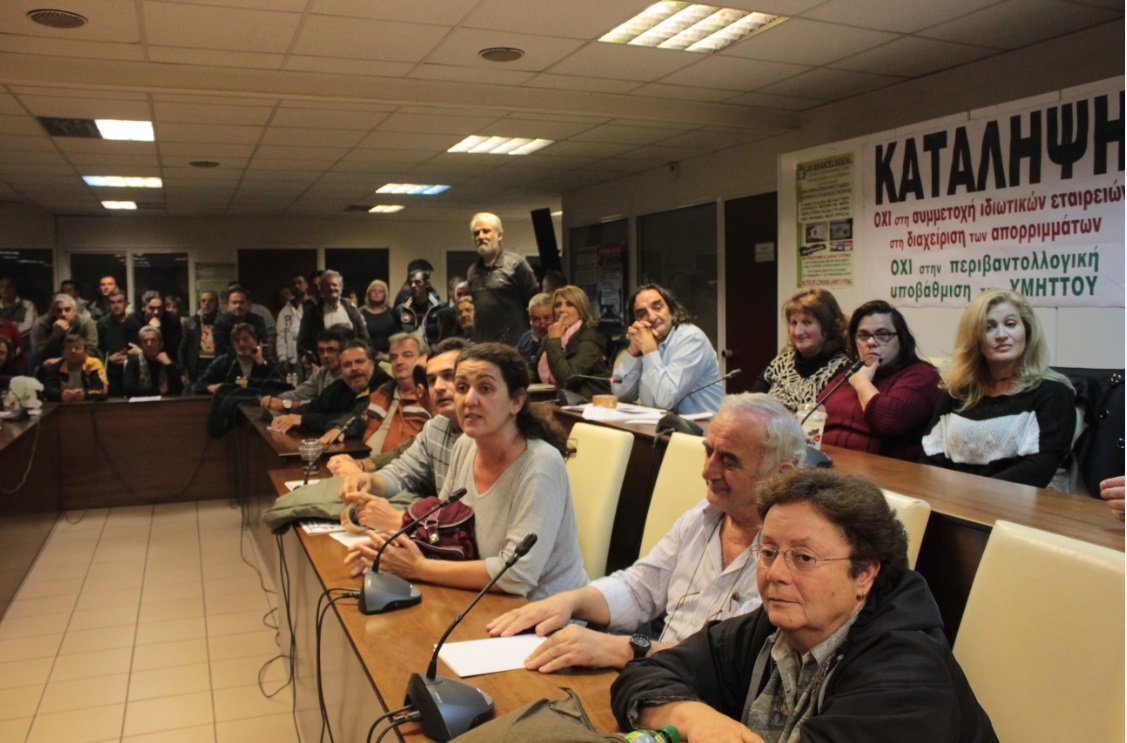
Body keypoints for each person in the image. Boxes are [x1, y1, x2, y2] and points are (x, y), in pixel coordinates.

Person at [611, 468, 997, 743]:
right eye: (768, 552)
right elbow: (645, 675)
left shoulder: (905, 676)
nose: (775, 574)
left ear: (865, 574)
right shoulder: (775, 627)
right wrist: (694, 718)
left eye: (804, 558)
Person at [487, 393, 805, 673]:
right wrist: (570, 601)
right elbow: (639, 589)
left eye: (728, 461)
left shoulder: (791, 560)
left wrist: (626, 650)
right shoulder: (700, 518)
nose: (707, 470)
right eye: (708, 452)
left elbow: (734, 663)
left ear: (780, 474)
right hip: (657, 677)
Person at [344, 343, 587, 601]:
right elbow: (441, 526)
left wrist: (418, 568)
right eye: (462, 388)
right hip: (481, 597)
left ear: (516, 401)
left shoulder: (540, 465)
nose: (469, 400)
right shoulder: (466, 444)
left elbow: (517, 575)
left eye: (485, 388)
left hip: (543, 609)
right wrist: (387, 551)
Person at [921, 289, 1076, 489]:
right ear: (974, 339)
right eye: (989, 327)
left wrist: (970, 495)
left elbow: (1037, 471)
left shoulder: (1054, 394)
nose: (1002, 335)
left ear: (1027, 331)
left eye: (1010, 324)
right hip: (952, 500)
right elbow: (930, 455)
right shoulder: (958, 391)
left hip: (1021, 505)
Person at [329, 337, 469, 525]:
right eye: (432, 380)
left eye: (448, 376)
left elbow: (470, 518)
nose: (438, 387)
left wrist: (400, 520)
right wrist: (368, 481)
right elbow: (402, 472)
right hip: (439, 531)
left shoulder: (485, 437)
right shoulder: (435, 427)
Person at [821, 300, 942, 461]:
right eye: (863, 336)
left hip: (883, 471)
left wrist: (862, 383)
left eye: (883, 334)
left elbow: (888, 422)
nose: (871, 342)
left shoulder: (922, 376)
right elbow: (813, 415)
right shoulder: (847, 374)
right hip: (827, 465)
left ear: (901, 339)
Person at [612, 283, 723, 414]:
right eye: (642, 313)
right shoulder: (644, 341)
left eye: (657, 308)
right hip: (659, 424)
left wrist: (650, 351)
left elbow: (666, 399)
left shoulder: (691, 338)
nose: (652, 317)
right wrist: (633, 350)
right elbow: (621, 395)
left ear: (672, 310)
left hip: (701, 425)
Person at [268, 340, 390, 441]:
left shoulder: (384, 386)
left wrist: (302, 420)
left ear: (372, 364)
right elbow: (317, 406)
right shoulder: (343, 384)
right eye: (347, 365)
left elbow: (354, 418)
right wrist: (286, 416)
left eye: (359, 362)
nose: (354, 368)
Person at [751, 288, 851, 412]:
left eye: (807, 322)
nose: (798, 331)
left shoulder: (843, 369)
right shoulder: (781, 363)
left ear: (828, 326)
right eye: (794, 323)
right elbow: (751, 406)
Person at [466, 213, 539, 346]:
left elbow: (535, 303)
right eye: (476, 233)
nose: (481, 236)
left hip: (514, 345)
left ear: (499, 235)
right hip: (482, 345)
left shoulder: (516, 265)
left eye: (486, 231)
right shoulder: (472, 271)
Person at [353, 333, 431, 453]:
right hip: (362, 458)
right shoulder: (382, 391)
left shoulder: (429, 399)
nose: (398, 362)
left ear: (423, 359)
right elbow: (355, 419)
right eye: (393, 357)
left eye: (407, 355)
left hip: (399, 463)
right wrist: (337, 427)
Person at [533, 285, 612, 400]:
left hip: (588, 403)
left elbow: (568, 378)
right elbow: (532, 371)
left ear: (581, 311)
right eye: (558, 305)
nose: (561, 310)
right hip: (559, 400)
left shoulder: (591, 337)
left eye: (569, 304)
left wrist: (554, 341)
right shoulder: (552, 336)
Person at [260, 328, 344, 412]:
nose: (325, 355)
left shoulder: (345, 377)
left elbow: (319, 406)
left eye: (331, 350)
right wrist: (274, 400)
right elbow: (298, 394)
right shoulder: (322, 371)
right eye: (321, 351)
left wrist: (285, 404)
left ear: (341, 352)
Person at [296, 269, 370, 358]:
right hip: (324, 363)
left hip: (351, 362)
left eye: (334, 285)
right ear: (321, 290)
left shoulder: (352, 310)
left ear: (341, 288)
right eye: (327, 285)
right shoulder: (311, 314)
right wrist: (309, 361)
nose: (331, 288)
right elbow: (302, 345)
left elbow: (365, 338)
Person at [192, 323, 277, 394]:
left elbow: (279, 384)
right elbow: (197, 386)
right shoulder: (223, 362)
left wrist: (260, 361)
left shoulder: (265, 361)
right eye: (237, 340)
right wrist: (210, 387)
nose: (241, 344)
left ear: (256, 341)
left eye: (246, 339)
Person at [31, 294, 99, 362]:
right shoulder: (42, 324)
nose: (63, 314)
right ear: (53, 312)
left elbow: (91, 351)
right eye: (58, 310)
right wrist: (55, 335)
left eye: (67, 309)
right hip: (51, 364)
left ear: (75, 311)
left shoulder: (86, 323)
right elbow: (40, 354)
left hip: (81, 362)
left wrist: (61, 361)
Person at [42, 334, 108, 402]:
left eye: (77, 348)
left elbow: (102, 389)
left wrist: (85, 394)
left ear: (86, 352)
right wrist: (60, 395)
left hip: (88, 405)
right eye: (68, 348)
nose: (72, 351)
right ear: (63, 353)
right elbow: (48, 390)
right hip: (63, 405)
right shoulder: (56, 367)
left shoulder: (93, 364)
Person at [124, 326, 185, 397]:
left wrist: (168, 366)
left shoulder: (168, 362)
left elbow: (178, 390)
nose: (149, 344)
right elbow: (129, 390)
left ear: (161, 344)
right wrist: (158, 391)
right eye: (145, 341)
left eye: (153, 340)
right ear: (141, 345)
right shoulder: (133, 363)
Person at [124, 290, 182, 358]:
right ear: (143, 307)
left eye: (160, 308)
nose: (156, 312)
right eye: (152, 308)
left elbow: (172, 349)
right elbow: (132, 348)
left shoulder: (172, 320)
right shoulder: (132, 321)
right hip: (139, 361)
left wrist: (157, 330)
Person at [96, 289, 133, 396]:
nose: (116, 306)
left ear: (126, 303)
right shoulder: (102, 324)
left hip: (132, 369)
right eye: (112, 302)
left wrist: (128, 358)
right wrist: (108, 358)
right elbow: (96, 348)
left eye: (119, 302)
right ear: (108, 305)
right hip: (110, 371)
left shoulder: (134, 321)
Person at [179, 290, 220, 383]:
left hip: (218, 371)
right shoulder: (189, 323)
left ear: (217, 304)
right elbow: (182, 348)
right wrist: (182, 372)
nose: (206, 303)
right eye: (203, 301)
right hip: (196, 372)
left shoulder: (223, 322)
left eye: (211, 301)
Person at [213, 288, 268, 357]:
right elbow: (220, 350)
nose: (238, 306)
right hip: (227, 361)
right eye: (234, 303)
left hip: (254, 358)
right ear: (227, 306)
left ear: (249, 304)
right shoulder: (220, 323)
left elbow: (262, 345)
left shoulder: (257, 320)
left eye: (241, 302)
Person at [394, 270, 442, 345]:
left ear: (427, 283)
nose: (413, 285)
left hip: (433, 349)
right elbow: (397, 337)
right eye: (410, 283)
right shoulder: (401, 309)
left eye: (417, 282)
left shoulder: (439, 308)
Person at [277, 272, 309, 374]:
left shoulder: (313, 306)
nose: (297, 286)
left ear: (306, 284)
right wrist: (282, 358)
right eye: (294, 284)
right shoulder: (284, 311)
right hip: (293, 359)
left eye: (300, 283)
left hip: (311, 356)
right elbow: (281, 336)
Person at [361, 278, 399, 354]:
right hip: (366, 354)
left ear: (385, 295)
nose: (376, 293)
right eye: (373, 291)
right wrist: (375, 353)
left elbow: (397, 335)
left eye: (380, 291)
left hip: (389, 355)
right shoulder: (360, 313)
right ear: (368, 293)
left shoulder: (392, 312)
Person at [515, 293, 552, 368]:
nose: (542, 324)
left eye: (547, 318)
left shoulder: (565, 342)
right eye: (536, 319)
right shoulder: (525, 339)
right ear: (530, 319)